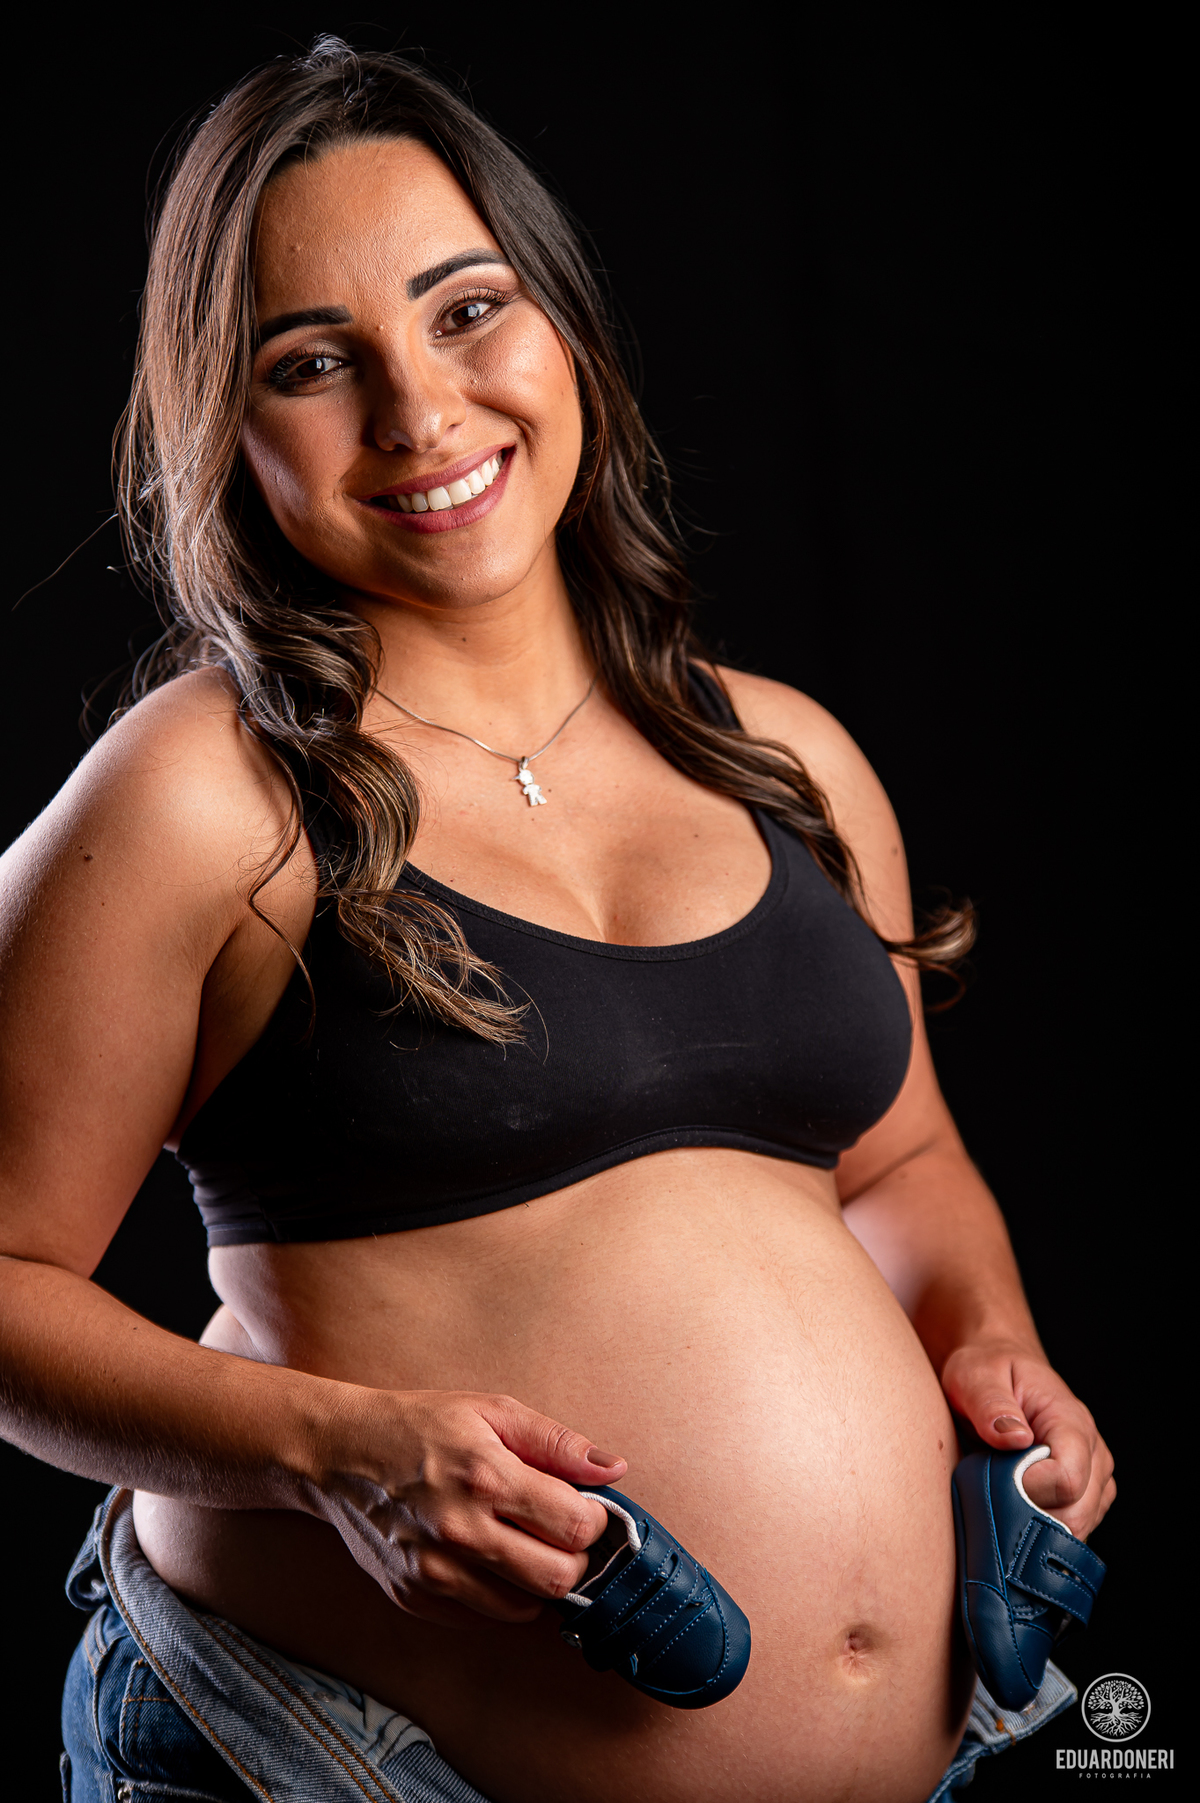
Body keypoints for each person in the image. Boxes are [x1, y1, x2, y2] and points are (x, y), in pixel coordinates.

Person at [0, 38, 1114, 1803]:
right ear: (231, 429)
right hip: (342, 1761)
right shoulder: (205, 790)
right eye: (313, 363)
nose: (421, 414)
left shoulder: (782, 758)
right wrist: (333, 1456)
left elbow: (900, 1168)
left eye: (465, 312)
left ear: (566, 329)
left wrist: (990, 1337)